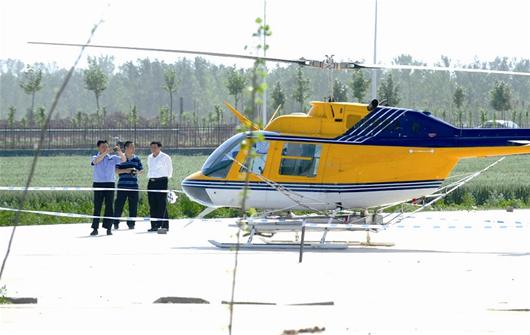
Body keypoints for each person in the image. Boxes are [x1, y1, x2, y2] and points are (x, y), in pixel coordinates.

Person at [90, 140, 125, 236]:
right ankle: (95, 228)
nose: (105, 148)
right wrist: (104, 153)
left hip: (110, 184)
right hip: (98, 184)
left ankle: (108, 227)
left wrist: (119, 151)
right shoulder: (95, 157)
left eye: (106, 146)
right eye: (102, 147)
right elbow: (96, 162)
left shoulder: (113, 158)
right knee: (97, 206)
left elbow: (123, 159)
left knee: (109, 206)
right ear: (98, 148)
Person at [113, 141, 143, 230]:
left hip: (134, 186)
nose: (133, 149)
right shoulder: (120, 158)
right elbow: (116, 171)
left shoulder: (137, 159)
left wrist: (136, 172)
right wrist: (126, 170)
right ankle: (115, 223)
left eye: (134, 147)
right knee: (119, 205)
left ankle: (131, 223)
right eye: (131, 147)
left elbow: (141, 170)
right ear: (126, 148)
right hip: (122, 185)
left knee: (133, 206)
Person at [147, 141, 173, 233]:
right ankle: (154, 225)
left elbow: (170, 171)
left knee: (161, 204)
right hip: (151, 181)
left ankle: (164, 225)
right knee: (152, 204)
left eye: (155, 147)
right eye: (151, 147)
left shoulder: (165, 157)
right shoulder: (149, 157)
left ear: (159, 147)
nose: (153, 149)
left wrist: (164, 179)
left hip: (161, 181)